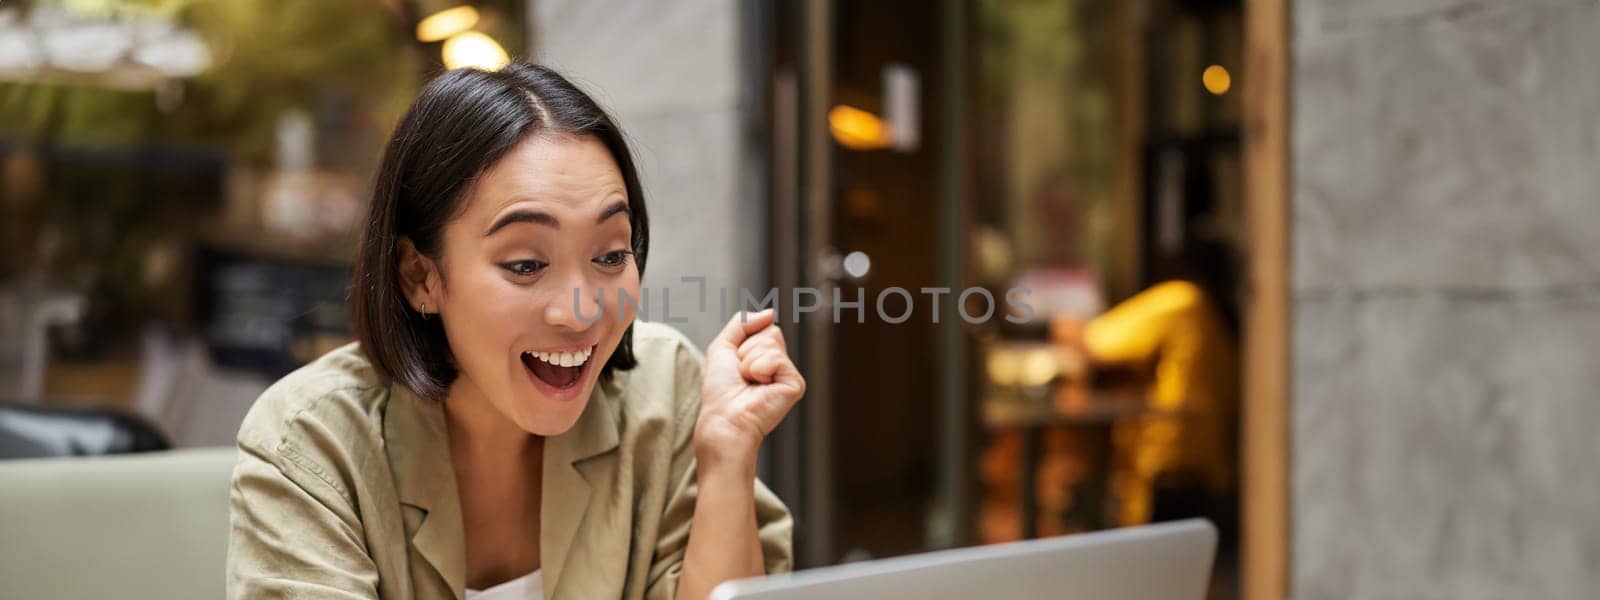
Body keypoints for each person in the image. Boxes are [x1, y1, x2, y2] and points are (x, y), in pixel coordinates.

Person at [226, 63, 804, 600]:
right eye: (526, 265)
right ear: (420, 276)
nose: (579, 312)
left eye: (609, 255)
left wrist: (728, 457)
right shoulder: (311, 442)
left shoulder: (669, 390)